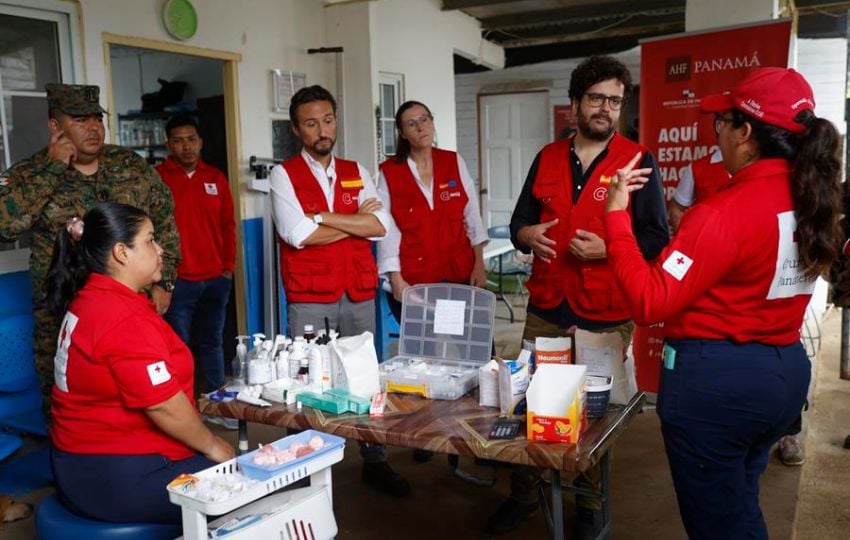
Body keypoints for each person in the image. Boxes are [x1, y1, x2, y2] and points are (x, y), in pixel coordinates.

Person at [603, 67, 841, 538]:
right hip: (783, 375)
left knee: (720, 522)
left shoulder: (723, 212)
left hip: (718, 388)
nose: (717, 132)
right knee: (739, 499)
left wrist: (615, 218)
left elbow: (651, 299)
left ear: (746, 132)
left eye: (722, 123)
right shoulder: (812, 198)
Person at [492, 55, 669, 537]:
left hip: (605, 311)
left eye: (615, 100)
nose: (606, 109)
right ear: (575, 103)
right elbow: (517, 225)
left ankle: (590, 504)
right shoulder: (547, 157)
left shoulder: (637, 160)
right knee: (530, 402)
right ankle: (524, 494)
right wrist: (528, 236)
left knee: (595, 414)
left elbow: (656, 238)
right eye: (596, 98)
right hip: (547, 307)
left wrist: (609, 248)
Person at [46, 202, 234, 524]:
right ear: (121, 252)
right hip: (118, 478)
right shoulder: (120, 316)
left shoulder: (91, 297)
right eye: (150, 240)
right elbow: (163, 406)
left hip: (78, 467)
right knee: (245, 479)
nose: (160, 249)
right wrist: (215, 446)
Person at [268, 85, 409, 497]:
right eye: (311, 123)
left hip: (359, 290)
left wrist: (323, 217)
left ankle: (375, 460)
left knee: (366, 378)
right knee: (310, 380)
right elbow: (296, 234)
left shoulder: (356, 169)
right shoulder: (283, 174)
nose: (322, 130)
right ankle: (308, 465)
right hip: (311, 294)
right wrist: (351, 220)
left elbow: (379, 225)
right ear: (297, 129)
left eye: (328, 120)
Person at [0, 84, 180, 402]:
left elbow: (164, 218)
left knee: (141, 392)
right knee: (68, 403)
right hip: (62, 316)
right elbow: (5, 227)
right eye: (81, 120)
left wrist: (164, 280)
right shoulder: (32, 173)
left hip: (132, 309)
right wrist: (54, 167)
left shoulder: (129, 164)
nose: (94, 127)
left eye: (97, 118)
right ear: (55, 126)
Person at [377, 100, 488, 321]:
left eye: (424, 119)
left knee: (473, 348)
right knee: (424, 351)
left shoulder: (453, 161)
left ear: (432, 123)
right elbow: (387, 231)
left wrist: (479, 264)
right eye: (411, 124)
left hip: (460, 275)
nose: (420, 127)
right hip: (416, 282)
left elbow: (472, 217)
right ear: (402, 133)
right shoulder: (390, 173)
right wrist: (396, 279)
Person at [156, 115, 236, 405]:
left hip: (216, 278)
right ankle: (184, 407)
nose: (186, 146)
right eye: (178, 140)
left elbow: (228, 225)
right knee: (179, 346)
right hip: (178, 282)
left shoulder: (215, 177)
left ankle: (218, 402)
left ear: (200, 142)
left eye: (191, 139)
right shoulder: (159, 179)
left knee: (213, 341)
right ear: (169, 144)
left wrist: (229, 267)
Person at [667, 148, 730, 233]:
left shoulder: (752, 166)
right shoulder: (698, 168)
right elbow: (677, 209)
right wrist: (689, 240)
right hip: (709, 241)